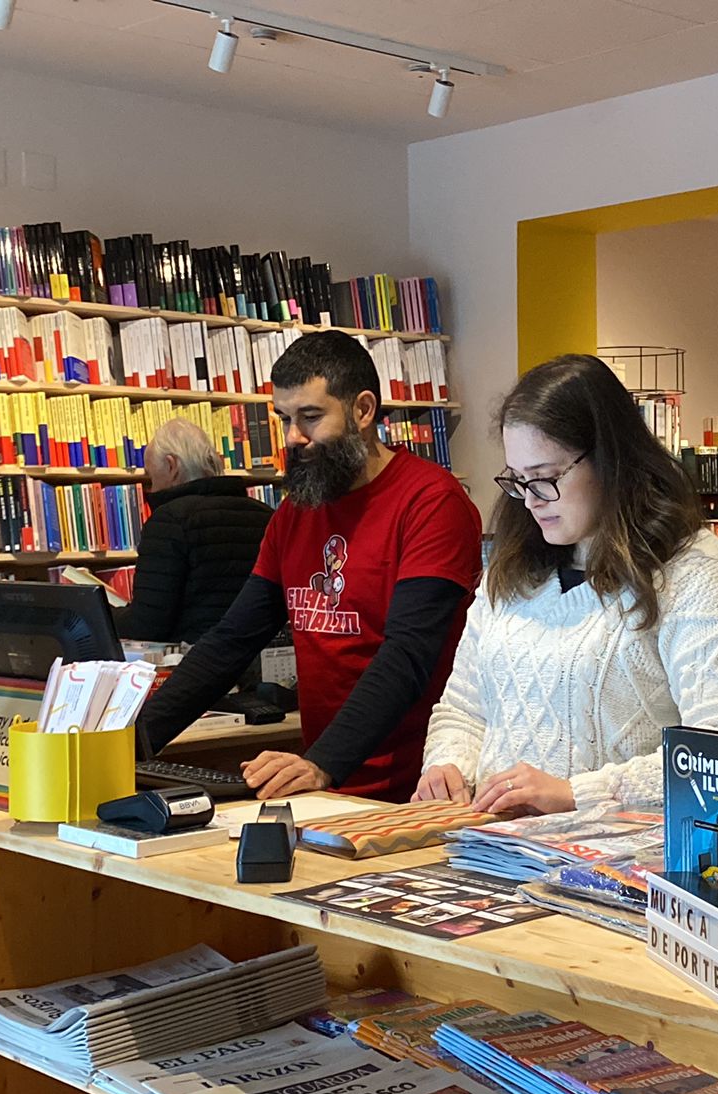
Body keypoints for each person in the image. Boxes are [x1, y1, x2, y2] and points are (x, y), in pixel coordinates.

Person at [411, 354, 718, 815]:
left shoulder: (694, 572)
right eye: (518, 480)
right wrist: (449, 765)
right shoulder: (513, 568)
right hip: (496, 853)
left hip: (625, 868)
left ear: (610, 460)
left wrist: (575, 794)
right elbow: (464, 710)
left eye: (545, 479)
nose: (529, 501)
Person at [135, 332, 481, 801]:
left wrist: (322, 763)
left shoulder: (431, 503)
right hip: (327, 788)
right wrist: (134, 740)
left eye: (311, 417)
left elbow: (408, 655)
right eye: (285, 418)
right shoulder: (296, 512)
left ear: (363, 410)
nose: (294, 437)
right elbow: (231, 641)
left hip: (414, 792)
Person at [111, 418, 272, 643]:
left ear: (171, 465)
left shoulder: (170, 520)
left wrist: (102, 614)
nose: (151, 488)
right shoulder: (267, 516)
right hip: (263, 660)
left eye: (151, 476)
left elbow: (146, 626)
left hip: (196, 662)